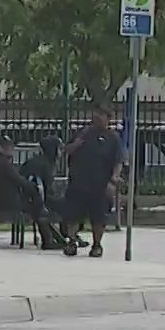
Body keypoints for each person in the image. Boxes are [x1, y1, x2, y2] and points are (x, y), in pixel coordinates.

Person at [60, 105, 126, 258]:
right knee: (73, 215)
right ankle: (71, 241)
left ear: (109, 118)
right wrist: (75, 145)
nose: (97, 118)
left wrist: (114, 178)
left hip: (100, 183)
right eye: (96, 114)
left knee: (98, 216)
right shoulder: (83, 132)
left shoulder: (113, 138)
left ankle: (97, 245)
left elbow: (118, 161)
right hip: (78, 181)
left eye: (102, 115)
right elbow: (66, 150)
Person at [0, 135, 41, 243]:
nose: (12, 149)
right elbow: (19, 180)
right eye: (8, 147)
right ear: (0, 148)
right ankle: (47, 236)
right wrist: (33, 186)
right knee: (37, 205)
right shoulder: (4, 164)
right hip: (7, 204)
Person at [19, 135, 66, 250]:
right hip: (34, 198)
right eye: (59, 149)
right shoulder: (46, 165)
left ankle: (62, 236)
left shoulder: (36, 161)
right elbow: (45, 188)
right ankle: (58, 237)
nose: (61, 152)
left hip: (29, 197)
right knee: (66, 205)